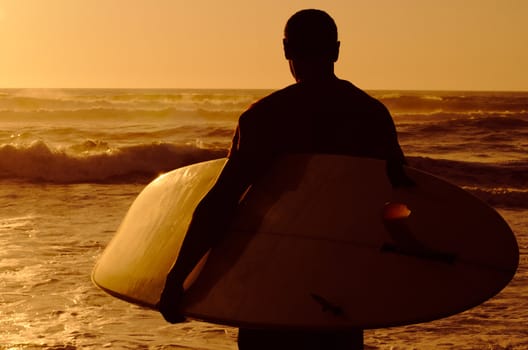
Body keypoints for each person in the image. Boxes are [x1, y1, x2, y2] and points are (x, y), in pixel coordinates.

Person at [159, 8, 412, 350]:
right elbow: (398, 198)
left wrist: (178, 277)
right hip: (341, 284)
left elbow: (223, 202)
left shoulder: (266, 116)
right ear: (336, 50)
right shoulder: (371, 114)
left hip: (272, 283)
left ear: (286, 50)